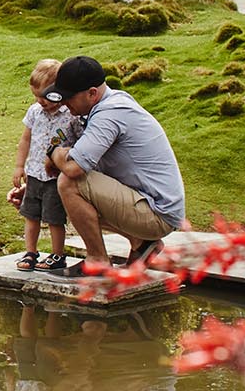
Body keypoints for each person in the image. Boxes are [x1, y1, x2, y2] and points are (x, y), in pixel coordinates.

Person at [45, 55, 188, 274]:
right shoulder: (109, 105)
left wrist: (54, 152)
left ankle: (97, 261)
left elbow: (73, 168)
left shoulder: (110, 114)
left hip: (157, 214)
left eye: (69, 98)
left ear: (92, 93)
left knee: (69, 182)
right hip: (150, 204)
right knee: (67, 190)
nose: (64, 104)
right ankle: (141, 242)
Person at [9, 58, 78, 271]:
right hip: (34, 174)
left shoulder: (70, 114)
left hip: (56, 178)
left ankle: (58, 255)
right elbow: (26, 139)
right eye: (36, 96)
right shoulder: (35, 112)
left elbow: (78, 143)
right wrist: (20, 166)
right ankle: (30, 251)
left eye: (45, 96)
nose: (41, 101)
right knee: (31, 215)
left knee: (54, 217)